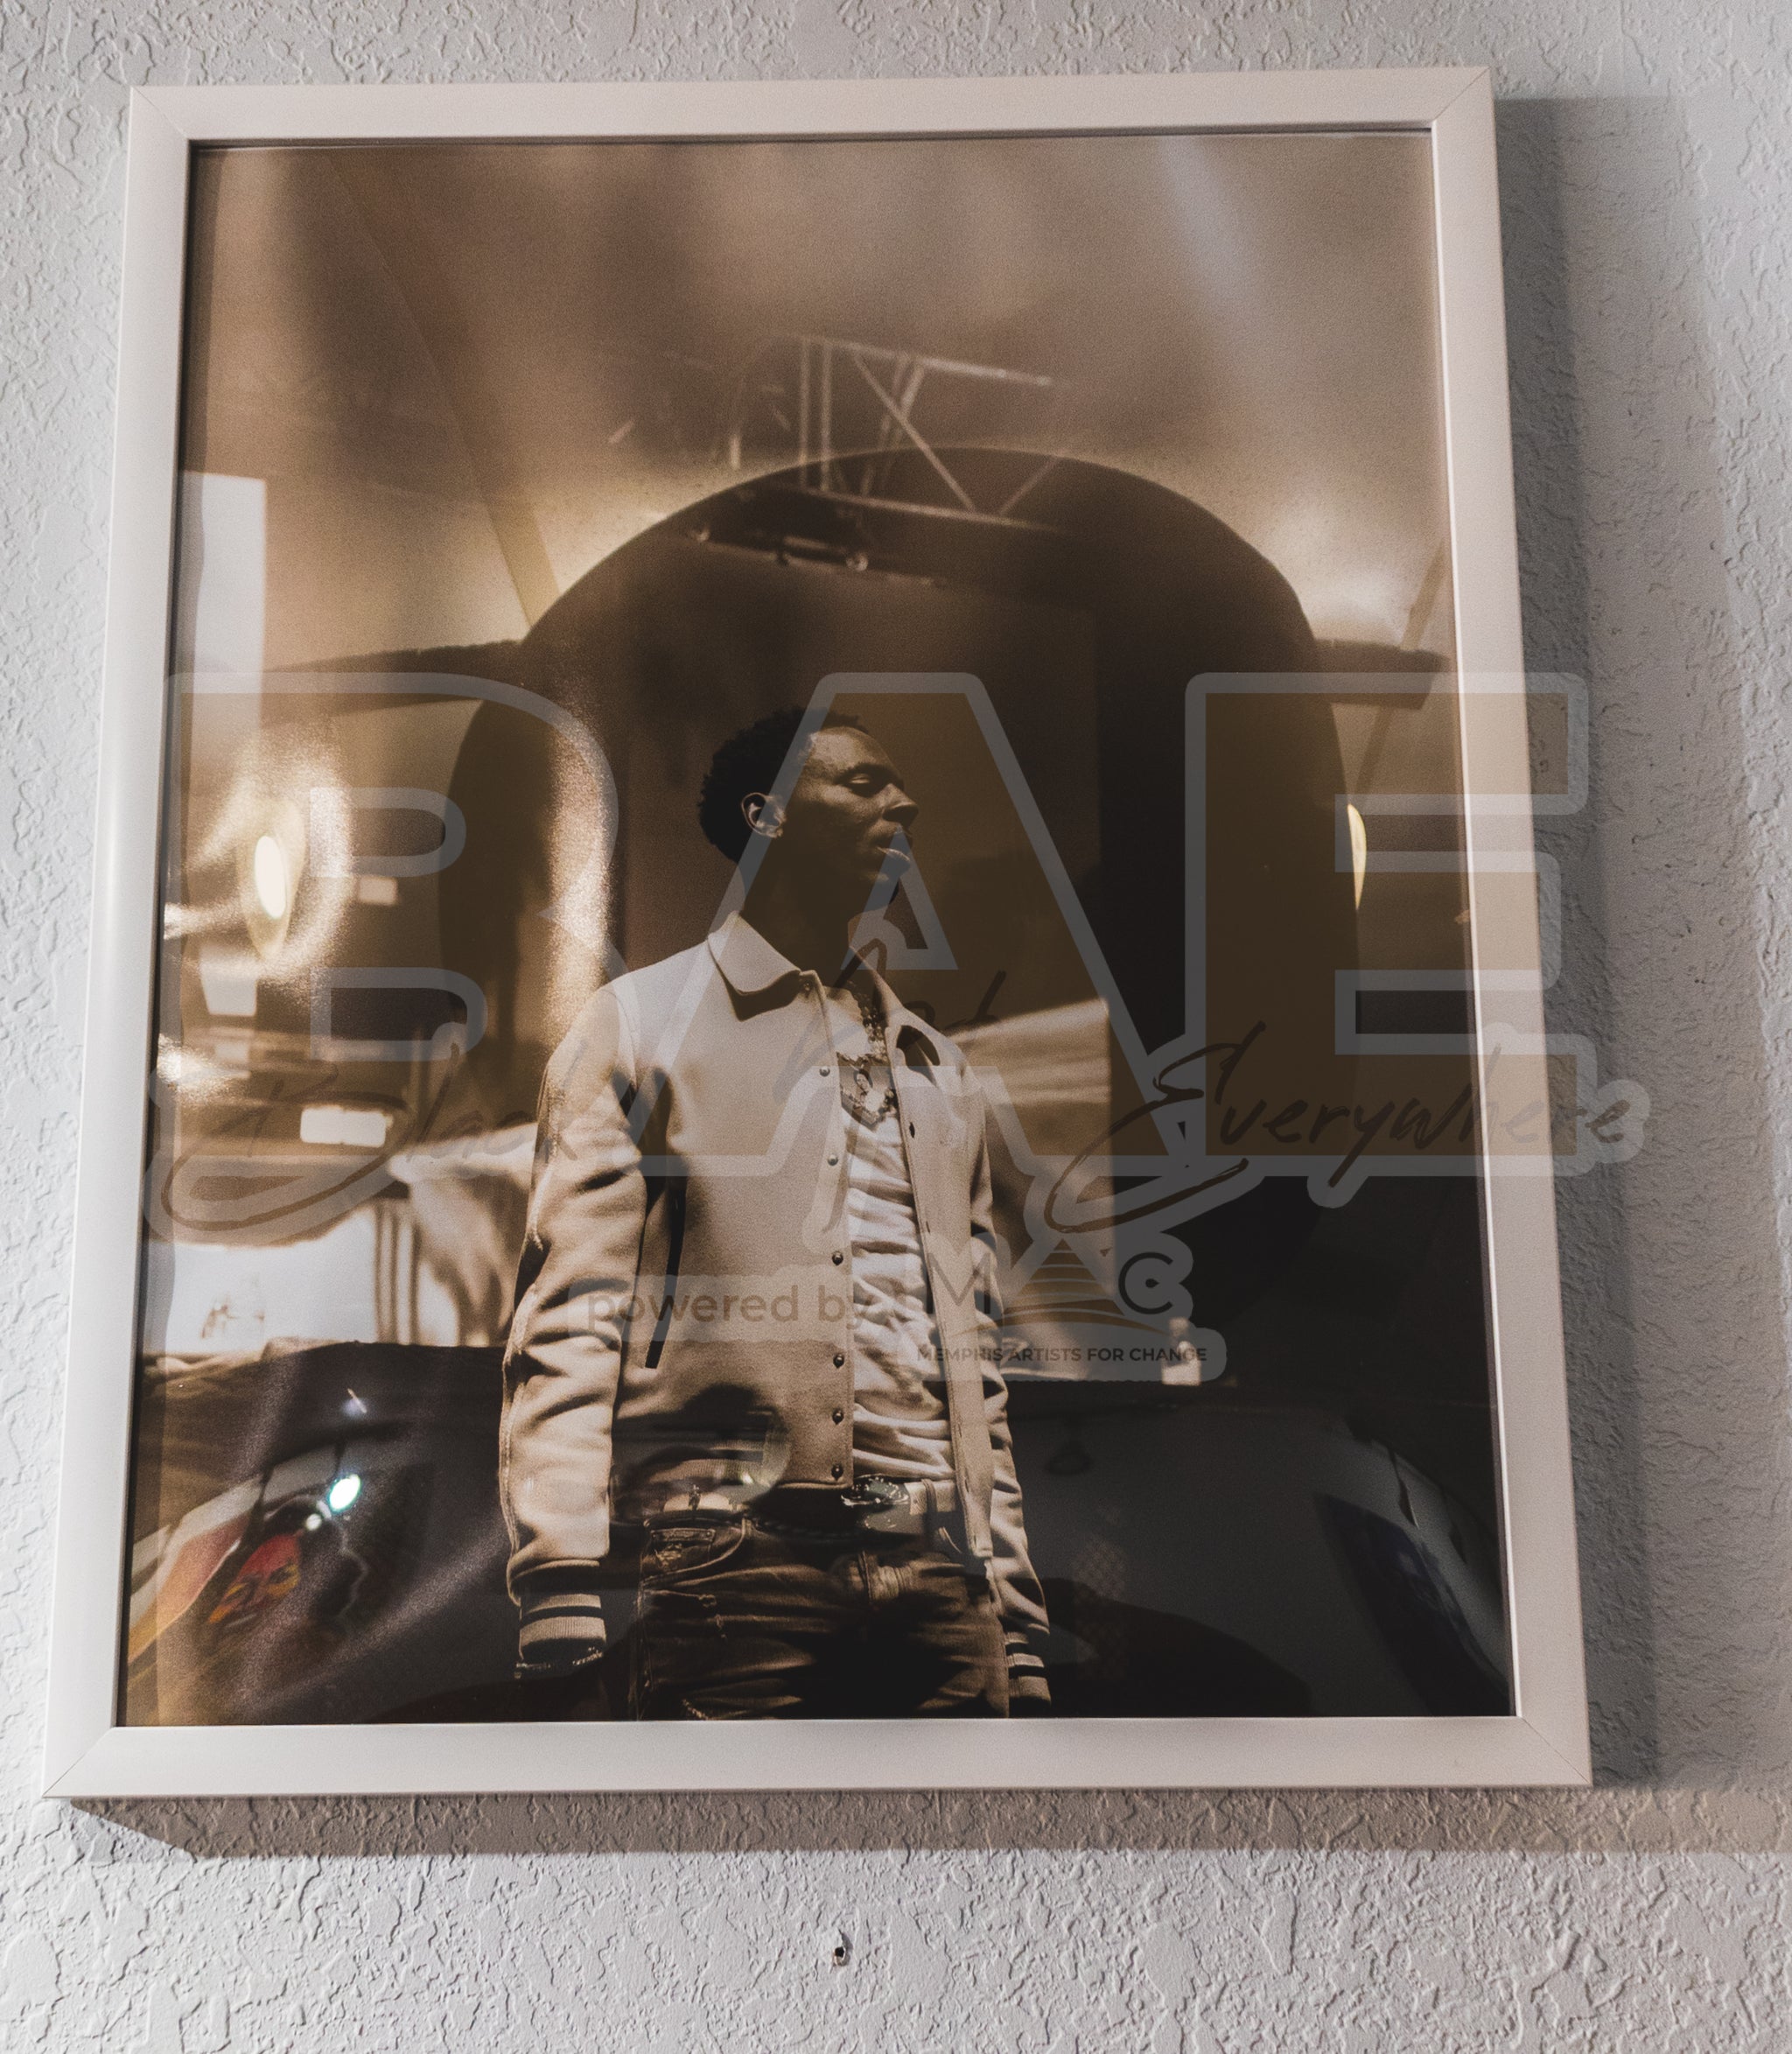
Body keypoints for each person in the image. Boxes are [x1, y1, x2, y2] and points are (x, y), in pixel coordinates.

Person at [500, 705, 1051, 1717]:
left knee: (970, 1828)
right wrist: (560, 1576)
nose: (904, 803)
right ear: (769, 814)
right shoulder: (637, 1026)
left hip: (942, 1572)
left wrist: (1010, 1608)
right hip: (731, 1562)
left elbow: (970, 1363)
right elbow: (571, 1315)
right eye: (863, 782)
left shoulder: (935, 1067)